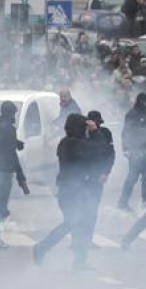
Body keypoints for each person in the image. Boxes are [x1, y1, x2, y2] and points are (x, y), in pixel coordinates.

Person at [33, 114, 106, 270]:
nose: (86, 129)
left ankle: (80, 261)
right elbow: (100, 149)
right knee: (73, 223)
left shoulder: (65, 142)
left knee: (78, 224)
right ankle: (43, 247)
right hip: (74, 191)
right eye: (84, 126)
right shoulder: (76, 144)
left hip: (71, 189)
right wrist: (95, 132)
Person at [0, 101, 27, 249]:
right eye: (14, 113)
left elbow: (0, 143)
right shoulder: (8, 128)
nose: (14, 116)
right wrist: (20, 175)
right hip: (3, 171)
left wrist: (15, 143)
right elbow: (10, 153)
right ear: (10, 113)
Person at [118, 93, 146, 212]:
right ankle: (145, 201)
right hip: (135, 150)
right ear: (143, 102)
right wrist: (125, 148)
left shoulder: (141, 113)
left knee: (133, 177)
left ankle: (123, 202)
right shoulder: (133, 114)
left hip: (138, 150)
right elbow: (125, 132)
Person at [86, 111, 115, 243]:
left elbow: (110, 154)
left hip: (96, 176)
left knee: (92, 208)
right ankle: (78, 239)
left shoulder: (105, 133)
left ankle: (88, 238)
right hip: (81, 176)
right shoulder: (81, 133)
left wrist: (106, 172)